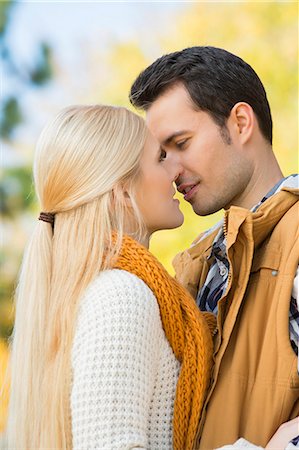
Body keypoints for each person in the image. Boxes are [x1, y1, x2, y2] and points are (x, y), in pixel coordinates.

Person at [5, 104, 216, 450]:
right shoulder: (120, 295)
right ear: (122, 191)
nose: (177, 167)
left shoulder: (89, 288)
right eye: (161, 157)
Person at [129, 46, 299, 449]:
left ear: (240, 123)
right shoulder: (198, 263)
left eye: (181, 143)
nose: (170, 171)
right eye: (162, 155)